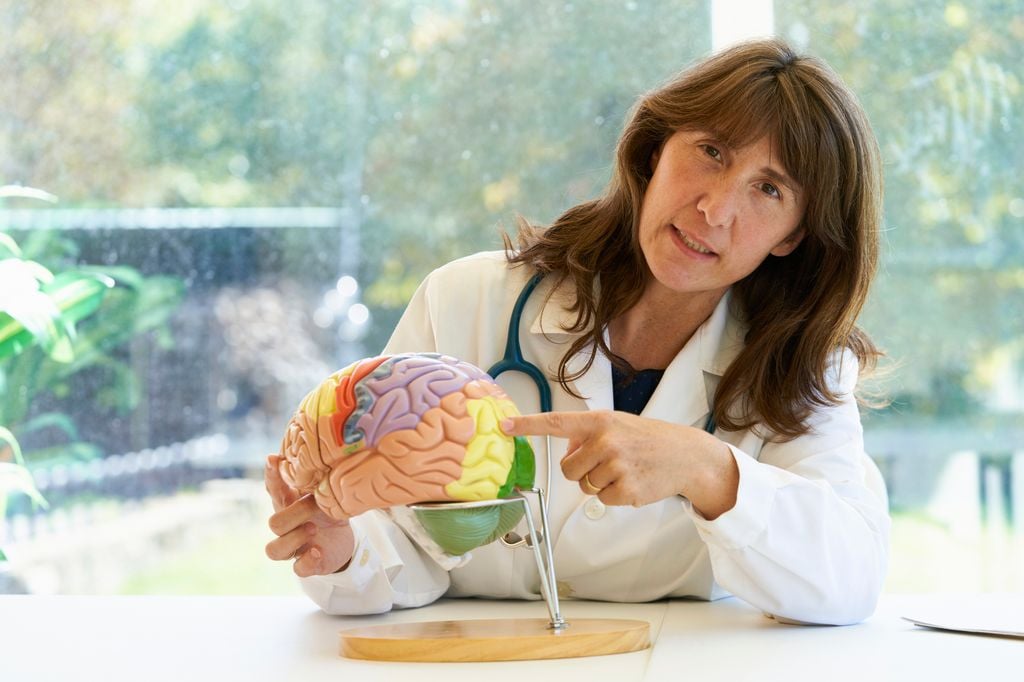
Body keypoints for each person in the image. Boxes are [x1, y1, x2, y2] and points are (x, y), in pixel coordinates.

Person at [264, 37, 890, 625]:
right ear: (656, 150)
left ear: (793, 237)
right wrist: (344, 551)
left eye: (768, 189)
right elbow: (396, 532)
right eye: (711, 152)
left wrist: (706, 469)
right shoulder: (467, 301)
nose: (715, 209)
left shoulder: (805, 366)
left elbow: (849, 578)